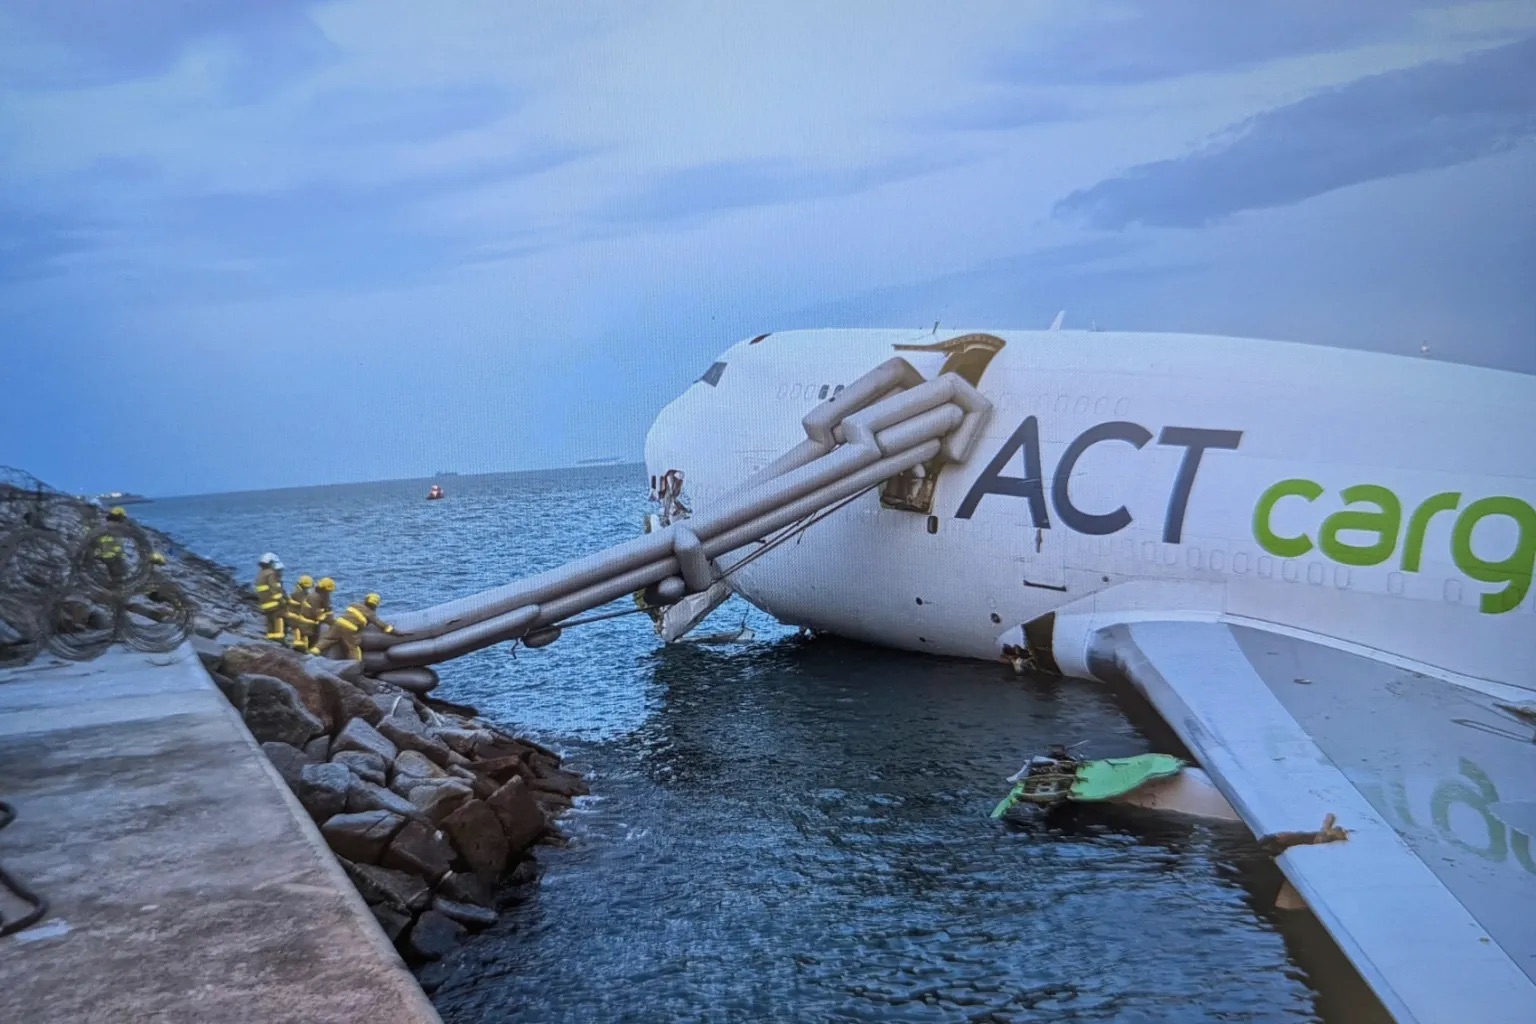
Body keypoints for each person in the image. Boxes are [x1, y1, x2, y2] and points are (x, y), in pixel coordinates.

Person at [317, 592, 395, 662]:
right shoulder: (371, 614)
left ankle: (313, 653)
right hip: (349, 629)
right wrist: (395, 631)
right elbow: (381, 625)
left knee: (327, 640)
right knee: (353, 649)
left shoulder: (354, 605)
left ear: (365, 600)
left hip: (338, 624)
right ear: (376, 605)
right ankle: (355, 665)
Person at [93, 506, 130, 586]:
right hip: (114, 556)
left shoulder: (103, 525)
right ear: (120, 517)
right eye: (123, 518)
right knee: (118, 577)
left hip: (103, 555)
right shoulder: (117, 528)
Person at [254, 553, 286, 641]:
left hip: (264, 604)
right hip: (273, 602)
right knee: (278, 618)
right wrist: (282, 601)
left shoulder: (261, 574)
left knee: (270, 621)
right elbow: (275, 590)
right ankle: (279, 638)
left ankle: (271, 638)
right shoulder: (271, 573)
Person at [301, 576, 336, 653]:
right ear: (324, 589)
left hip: (314, 622)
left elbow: (327, 610)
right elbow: (317, 614)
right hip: (308, 623)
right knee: (311, 641)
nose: (329, 593)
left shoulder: (323, 595)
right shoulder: (315, 597)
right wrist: (331, 622)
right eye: (328, 591)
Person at [286, 575, 315, 652]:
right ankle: (303, 647)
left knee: (298, 631)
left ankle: (299, 645)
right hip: (298, 619)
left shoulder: (295, 594)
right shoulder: (303, 595)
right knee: (304, 633)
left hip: (293, 618)